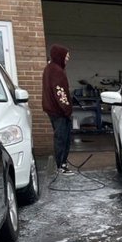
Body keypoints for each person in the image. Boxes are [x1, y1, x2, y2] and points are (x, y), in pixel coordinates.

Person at [42, 44, 74, 175]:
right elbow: (60, 93)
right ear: (60, 56)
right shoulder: (57, 71)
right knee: (62, 137)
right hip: (59, 111)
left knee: (60, 136)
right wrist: (67, 110)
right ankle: (62, 165)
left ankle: (61, 163)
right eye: (66, 57)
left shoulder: (49, 68)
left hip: (52, 110)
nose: (67, 59)